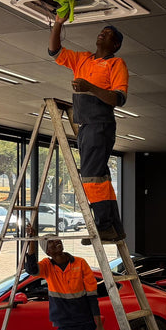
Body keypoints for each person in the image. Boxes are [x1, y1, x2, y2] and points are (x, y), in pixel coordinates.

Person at [48, 16, 128, 243]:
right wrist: (58, 23)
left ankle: (103, 226)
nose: (102, 34)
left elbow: (118, 99)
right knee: (100, 177)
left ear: (115, 45)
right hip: (86, 125)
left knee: (91, 177)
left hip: (100, 124)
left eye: (109, 33)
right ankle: (114, 228)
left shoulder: (116, 64)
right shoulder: (83, 59)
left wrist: (89, 87)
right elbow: (54, 51)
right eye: (102, 31)